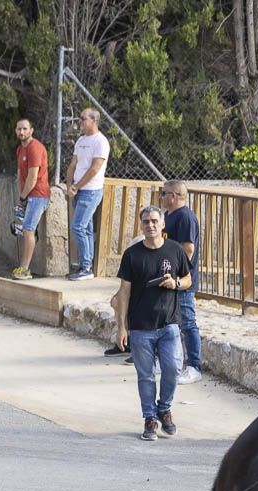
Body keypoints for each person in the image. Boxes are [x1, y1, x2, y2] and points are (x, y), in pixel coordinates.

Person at [112, 205, 191, 441]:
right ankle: (150, 418)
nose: (151, 225)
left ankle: (164, 408)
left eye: (155, 221)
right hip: (140, 327)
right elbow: (123, 293)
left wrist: (175, 284)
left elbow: (187, 279)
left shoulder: (175, 250)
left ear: (163, 224)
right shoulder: (132, 254)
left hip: (169, 324)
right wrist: (122, 327)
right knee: (145, 375)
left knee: (173, 369)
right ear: (141, 224)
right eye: (146, 221)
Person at [160, 180, 202, 384]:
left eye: (163, 193)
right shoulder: (167, 216)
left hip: (182, 281)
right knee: (170, 322)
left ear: (173, 195)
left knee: (187, 322)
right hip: (169, 278)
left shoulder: (185, 216)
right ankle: (170, 360)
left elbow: (188, 249)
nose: (161, 196)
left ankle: (194, 365)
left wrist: (179, 276)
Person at [66, 108, 110, 281]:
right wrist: (70, 185)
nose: (80, 121)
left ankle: (86, 267)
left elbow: (95, 168)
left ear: (94, 120)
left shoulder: (101, 142)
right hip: (78, 190)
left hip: (90, 190)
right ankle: (86, 265)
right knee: (86, 229)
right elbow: (73, 163)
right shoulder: (81, 140)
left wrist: (76, 187)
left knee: (78, 227)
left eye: (83, 118)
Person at [12, 118, 50, 281]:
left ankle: (25, 269)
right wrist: (21, 196)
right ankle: (23, 267)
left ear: (31, 131)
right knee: (24, 230)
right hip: (27, 196)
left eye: (25, 129)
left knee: (28, 230)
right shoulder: (20, 149)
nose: (22, 132)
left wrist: (23, 195)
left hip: (38, 195)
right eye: (19, 129)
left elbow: (33, 177)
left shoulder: (35, 148)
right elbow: (21, 174)